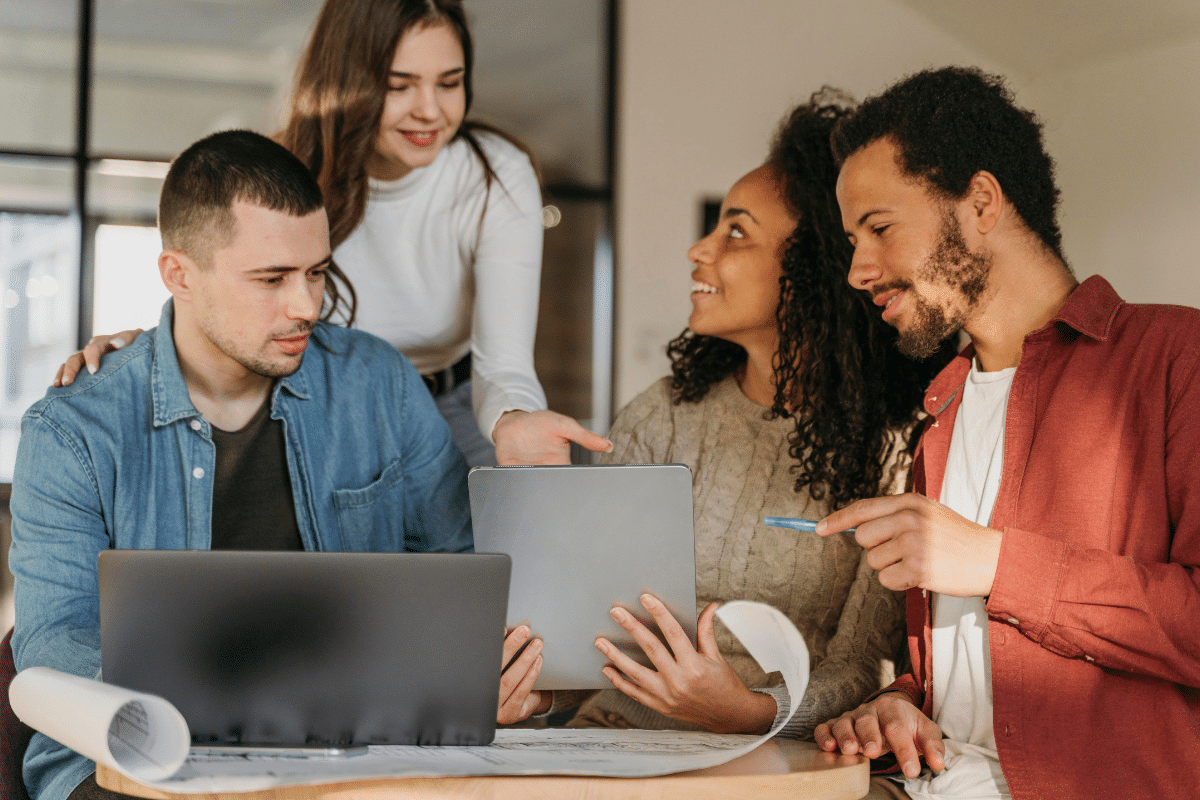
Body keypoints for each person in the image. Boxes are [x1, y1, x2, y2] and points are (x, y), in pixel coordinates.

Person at [10, 130, 543, 800]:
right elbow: (54, 643)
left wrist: (487, 677)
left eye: (316, 272)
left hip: (361, 753)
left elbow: (462, 566)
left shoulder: (377, 383)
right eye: (271, 279)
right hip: (128, 761)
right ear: (179, 274)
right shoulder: (73, 429)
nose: (305, 306)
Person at [813, 66, 1200, 800]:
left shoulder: (1178, 357)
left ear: (981, 201)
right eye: (851, 240)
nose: (859, 270)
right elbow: (968, 674)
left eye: (880, 228)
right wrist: (901, 705)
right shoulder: (941, 414)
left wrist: (997, 565)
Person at [541, 93, 955, 738]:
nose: (699, 251)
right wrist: (536, 691)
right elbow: (586, 622)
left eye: (736, 231)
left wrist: (748, 713)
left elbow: (866, 665)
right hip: (614, 735)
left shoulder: (898, 446)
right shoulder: (663, 415)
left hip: (778, 754)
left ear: (812, 268)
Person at [53, 0, 611, 469]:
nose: (430, 111)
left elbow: (504, 364)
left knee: (497, 556)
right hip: (319, 401)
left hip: (452, 403)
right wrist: (148, 349)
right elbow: (223, 291)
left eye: (450, 83)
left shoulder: (496, 174)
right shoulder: (284, 167)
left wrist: (514, 422)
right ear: (351, 80)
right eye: (400, 85)